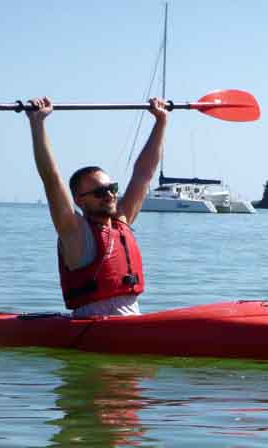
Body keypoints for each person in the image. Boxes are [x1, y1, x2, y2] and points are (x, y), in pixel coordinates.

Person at [26, 96, 168, 318]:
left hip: (131, 322)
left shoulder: (122, 221)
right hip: (92, 327)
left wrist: (161, 121)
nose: (110, 195)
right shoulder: (73, 231)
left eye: (112, 188)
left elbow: (143, 173)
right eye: (100, 192)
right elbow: (51, 178)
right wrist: (37, 122)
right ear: (79, 199)